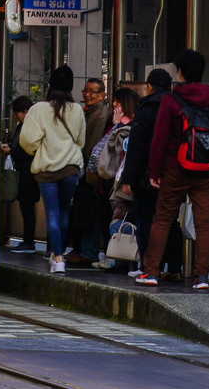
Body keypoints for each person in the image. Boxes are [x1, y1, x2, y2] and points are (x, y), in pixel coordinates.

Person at [135, 49, 209, 291]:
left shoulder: (172, 99)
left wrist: (154, 171)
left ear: (180, 72)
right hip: (206, 170)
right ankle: (202, 277)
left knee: (163, 219)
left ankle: (151, 271)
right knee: (204, 224)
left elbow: (160, 138)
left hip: (175, 168)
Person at [17, 65, 87, 274]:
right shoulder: (77, 110)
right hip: (70, 170)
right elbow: (81, 142)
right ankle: (61, 254)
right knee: (64, 213)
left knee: (52, 214)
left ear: (50, 87)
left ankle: (57, 258)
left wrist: (40, 150)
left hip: (46, 171)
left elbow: (27, 141)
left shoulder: (39, 109)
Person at [118, 69, 178, 278]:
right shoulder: (177, 106)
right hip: (175, 172)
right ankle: (175, 268)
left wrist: (128, 178)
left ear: (150, 87)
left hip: (147, 175)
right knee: (171, 221)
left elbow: (136, 146)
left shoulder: (146, 108)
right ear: (170, 86)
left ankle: (149, 266)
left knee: (147, 220)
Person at [89, 87, 141, 269]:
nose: (114, 106)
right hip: (112, 180)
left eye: (118, 102)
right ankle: (116, 256)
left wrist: (118, 124)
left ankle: (118, 258)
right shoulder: (119, 123)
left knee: (119, 218)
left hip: (120, 180)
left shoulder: (127, 126)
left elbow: (103, 149)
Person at [64, 77, 114, 264]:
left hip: (91, 171)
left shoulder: (100, 113)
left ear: (102, 95)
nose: (87, 95)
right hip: (85, 169)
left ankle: (89, 251)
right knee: (85, 210)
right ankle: (83, 249)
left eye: (93, 91)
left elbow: (92, 146)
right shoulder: (89, 112)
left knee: (90, 212)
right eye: (85, 91)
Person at [4, 95, 40, 251]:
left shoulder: (31, 127)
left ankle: (29, 241)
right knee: (25, 208)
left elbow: (28, 150)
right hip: (23, 172)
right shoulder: (22, 126)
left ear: (25, 111)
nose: (15, 116)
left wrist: (11, 150)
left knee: (27, 208)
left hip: (29, 173)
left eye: (17, 112)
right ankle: (27, 240)